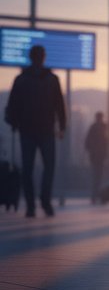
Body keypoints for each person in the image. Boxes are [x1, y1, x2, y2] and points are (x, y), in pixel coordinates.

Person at [3, 44, 66, 217]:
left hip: (28, 130)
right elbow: (59, 105)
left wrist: (13, 122)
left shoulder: (22, 79)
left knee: (28, 169)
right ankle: (45, 201)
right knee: (48, 167)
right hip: (45, 129)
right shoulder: (52, 79)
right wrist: (62, 126)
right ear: (43, 57)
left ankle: (31, 205)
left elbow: (13, 104)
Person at [84, 111, 109, 204]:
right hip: (100, 155)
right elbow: (106, 142)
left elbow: (87, 142)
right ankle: (98, 195)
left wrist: (90, 150)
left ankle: (95, 195)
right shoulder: (104, 127)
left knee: (96, 176)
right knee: (99, 176)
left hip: (95, 155)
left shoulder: (93, 127)